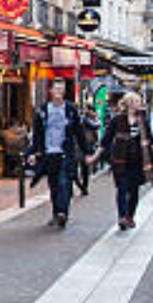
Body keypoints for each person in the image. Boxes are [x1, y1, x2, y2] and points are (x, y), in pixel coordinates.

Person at [26, 79, 93, 228]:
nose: (58, 93)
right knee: (54, 185)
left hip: (65, 152)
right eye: (56, 89)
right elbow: (37, 134)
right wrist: (33, 153)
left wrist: (88, 152)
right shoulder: (43, 111)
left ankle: (63, 212)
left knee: (65, 182)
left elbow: (79, 132)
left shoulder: (70, 110)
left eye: (61, 90)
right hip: (49, 154)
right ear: (51, 91)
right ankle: (56, 213)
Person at [98, 92, 153, 231]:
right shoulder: (117, 120)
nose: (139, 104)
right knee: (122, 189)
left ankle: (130, 215)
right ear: (130, 103)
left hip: (138, 161)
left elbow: (150, 139)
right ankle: (122, 217)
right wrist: (95, 155)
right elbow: (106, 140)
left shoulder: (142, 120)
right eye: (137, 101)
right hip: (120, 161)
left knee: (134, 190)